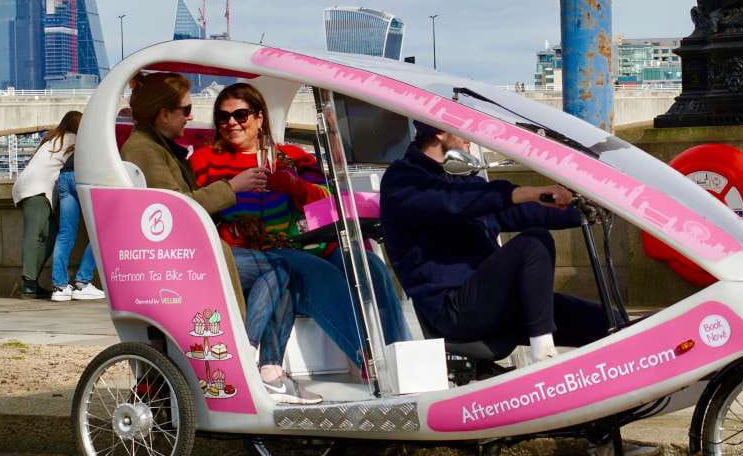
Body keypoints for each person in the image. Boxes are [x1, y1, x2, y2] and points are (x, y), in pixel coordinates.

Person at [120, 72, 319, 405]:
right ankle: (255, 359)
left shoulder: (155, 146)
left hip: (190, 254)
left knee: (281, 270)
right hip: (182, 261)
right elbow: (175, 209)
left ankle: (265, 367)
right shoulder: (146, 149)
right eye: (185, 109)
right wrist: (233, 187)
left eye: (239, 115)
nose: (190, 116)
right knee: (281, 269)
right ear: (163, 113)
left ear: (259, 118)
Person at [189, 82, 410, 369]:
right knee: (320, 275)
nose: (231, 123)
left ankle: (401, 358)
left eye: (240, 115)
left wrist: (294, 186)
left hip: (307, 242)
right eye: (223, 117)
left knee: (370, 266)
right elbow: (195, 205)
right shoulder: (205, 161)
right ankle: (371, 365)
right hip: (257, 250)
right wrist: (232, 198)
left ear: (259, 117)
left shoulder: (292, 156)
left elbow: (326, 200)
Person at [379, 121, 607, 362]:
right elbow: (450, 202)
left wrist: (589, 210)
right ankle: (544, 356)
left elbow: (517, 212)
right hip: (454, 311)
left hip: (495, 302)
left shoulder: (466, 182)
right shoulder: (403, 180)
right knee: (533, 244)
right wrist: (523, 192)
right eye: (462, 130)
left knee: (608, 322)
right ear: (438, 132)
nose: (470, 139)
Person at [12, 111, 79, 299]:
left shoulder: (53, 138)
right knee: (35, 235)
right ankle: (29, 284)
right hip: (37, 190)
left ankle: (31, 281)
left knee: (49, 234)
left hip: (26, 187)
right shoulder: (72, 140)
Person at [49, 129, 105, 302]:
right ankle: (82, 282)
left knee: (65, 234)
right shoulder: (106, 134)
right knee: (101, 231)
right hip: (85, 175)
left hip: (64, 177)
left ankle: (60, 287)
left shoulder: (86, 135)